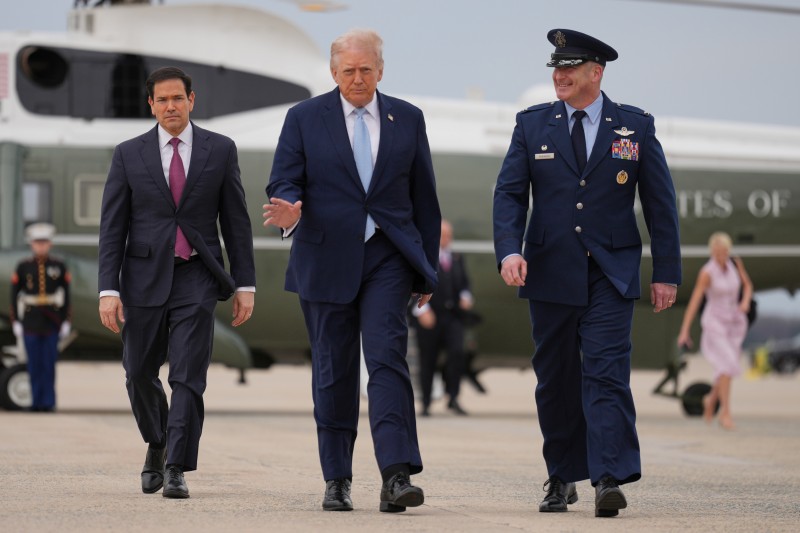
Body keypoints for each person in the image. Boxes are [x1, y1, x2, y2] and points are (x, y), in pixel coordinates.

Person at [493, 29, 682, 518]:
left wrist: (666, 272)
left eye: (569, 68)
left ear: (595, 73)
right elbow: (509, 194)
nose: (559, 75)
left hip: (610, 273)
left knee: (606, 373)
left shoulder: (634, 127)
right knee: (555, 379)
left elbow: (660, 205)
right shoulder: (532, 125)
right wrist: (508, 251)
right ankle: (561, 476)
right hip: (549, 269)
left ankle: (608, 477)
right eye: (556, 68)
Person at [264, 29, 441, 513]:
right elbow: (284, 178)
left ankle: (396, 475)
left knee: (387, 360)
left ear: (380, 70)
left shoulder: (407, 117)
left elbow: (424, 198)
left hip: (387, 257)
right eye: (349, 71)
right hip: (324, 259)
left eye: (366, 70)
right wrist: (289, 208)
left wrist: (425, 270)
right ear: (333, 72)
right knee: (333, 370)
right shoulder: (304, 118)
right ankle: (337, 478)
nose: (358, 78)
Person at [97, 67, 256, 499]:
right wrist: (108, 289)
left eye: (178, 98)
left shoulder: (219, 149)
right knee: (138, 372)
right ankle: (158, 440)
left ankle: (176, 467)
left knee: (187, 376)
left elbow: (236, 221)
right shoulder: (128, 154)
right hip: (142, 278)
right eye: (162, 100)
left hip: (197, 276)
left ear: (192, 100)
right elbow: (113, 227)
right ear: (151, 105)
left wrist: (245, 284)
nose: (171, 106)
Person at [677, 232, 752, 430]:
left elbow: (747, 285)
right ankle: (725, 413)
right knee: (727, 364)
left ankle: (710, 399)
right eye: (717, 252)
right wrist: (685, 330)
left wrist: (745, 302)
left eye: (724, 252)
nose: (721, 255)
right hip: (714, 322)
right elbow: (695, 301)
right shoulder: (707, 272)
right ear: (712, 252)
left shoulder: (735, 264)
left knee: (726, 366)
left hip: (734, 321)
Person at [412, 219, 474, 417]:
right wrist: (421, 310)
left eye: (449, 235)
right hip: (430, 316)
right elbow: (413, 285)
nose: (447, 239)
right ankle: (426, 402)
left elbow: (465, 284)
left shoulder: (456, 257)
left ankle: (453, 397)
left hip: (452, 317)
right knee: (427, 359)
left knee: (457, 353)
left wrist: (466, 297)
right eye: (443, 235)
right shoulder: (422, 256)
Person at [9, 223, 71, 412]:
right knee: (34, 364)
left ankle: (49, 402)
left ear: (50, 244)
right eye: (37, 242)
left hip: (52, 320)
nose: (41, 246)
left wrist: (66, 320)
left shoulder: (58, 265)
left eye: (44, 242)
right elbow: (14, 295)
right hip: (31, 321)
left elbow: (67, 295)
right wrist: (16, 321)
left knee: (49, 364)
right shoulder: (23, 266)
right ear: (32, 244)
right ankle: (35, 402)